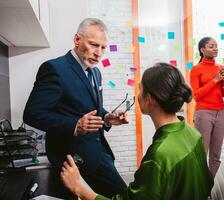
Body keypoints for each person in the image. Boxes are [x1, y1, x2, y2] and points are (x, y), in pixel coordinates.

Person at [60, 63, 214, 200]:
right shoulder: (192, 133)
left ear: (149, 99)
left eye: (140, 89)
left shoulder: (160, 156)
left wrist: (79, 188)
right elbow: (206, 184)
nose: (137, 94)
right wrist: (106, 119)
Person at [23, 18, 129, 197]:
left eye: (103, 47)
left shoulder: (95, 72)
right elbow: (33, 114)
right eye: (94, 45)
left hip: (98, 153)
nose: (99, 53)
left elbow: (91, 107)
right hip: (71, 157)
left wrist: (107, 118)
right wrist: (75, 125)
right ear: (77, 40)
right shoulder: (54, 68)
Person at [190, 37, 224, 176]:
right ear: (202, 50)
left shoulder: (220, 68)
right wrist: (215, 80)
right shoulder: (196, 70)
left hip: (220, 113)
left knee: (216, 155)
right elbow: (197, 95)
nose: (215, 48)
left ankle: (211, 189)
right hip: (204, 113)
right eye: (211, 46)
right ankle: (200, 189)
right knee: (202, 153)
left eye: (216, 46)